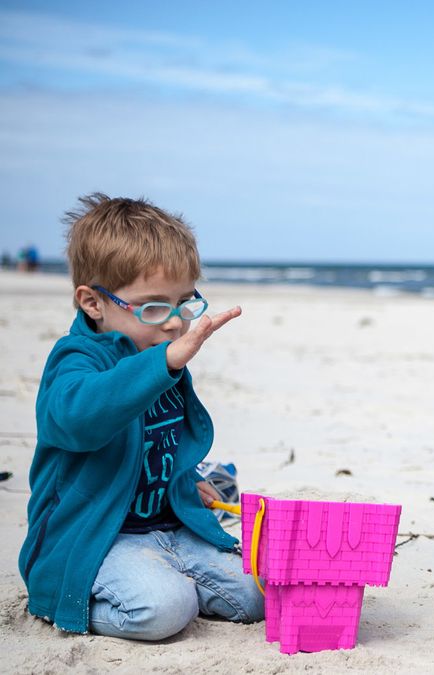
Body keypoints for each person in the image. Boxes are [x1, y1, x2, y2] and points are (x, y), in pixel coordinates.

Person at [18, 193, 263, 640]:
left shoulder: (157, 351)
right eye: (153, 308)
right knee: (166, 609)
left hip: (167, 526)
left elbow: (156, 443)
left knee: (256, 593)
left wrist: (185, 480)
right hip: (96, 538)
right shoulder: (78, 360)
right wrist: (164, 365)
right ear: (93, 303)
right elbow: (79, 418)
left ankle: (176, 581)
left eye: (184, 304)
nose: (173, 323)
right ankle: (67, 597)